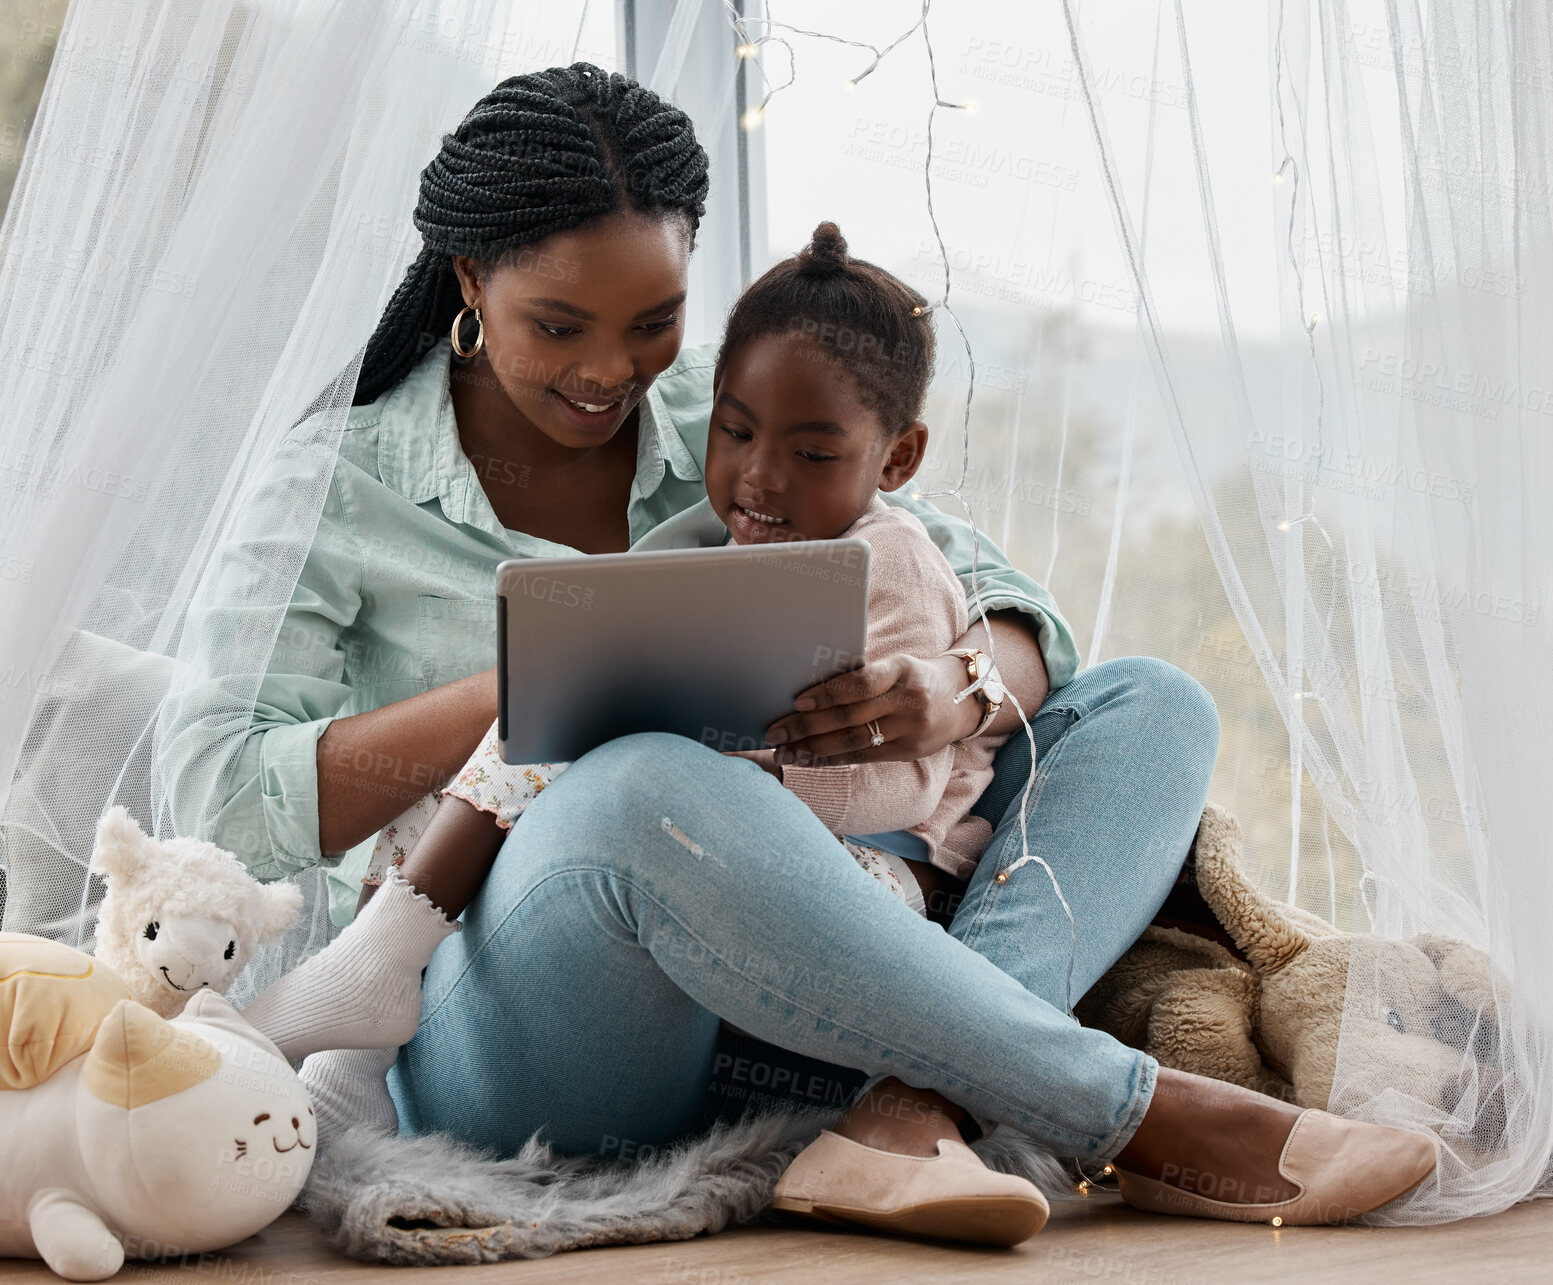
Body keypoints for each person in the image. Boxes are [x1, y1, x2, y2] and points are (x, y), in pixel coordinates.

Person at [161, 63, 1436, 1248]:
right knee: (644, 781)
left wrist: (954, 685)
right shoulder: (331, 486)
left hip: (796, 994)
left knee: (1148, 704)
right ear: (466, 279)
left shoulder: (729, 419)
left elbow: (1001, 600)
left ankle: (907, 1102)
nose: (610, 372)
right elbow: (217, 790)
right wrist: (550, 668)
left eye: (652, 321)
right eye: (558, 326)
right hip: (538, 1022)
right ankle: (1128, 1109)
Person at [240, 218, 1055, 1240]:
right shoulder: (740, 528)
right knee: (529, 728)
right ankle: (357, 1032)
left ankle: (365, 997)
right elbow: (228, 775)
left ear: (895, 457)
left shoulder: (885, 560)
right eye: (734, 432)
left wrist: (732, 772)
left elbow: (904, 785)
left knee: (600, 727)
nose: (759, 477)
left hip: (862, 875)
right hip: (648, 892)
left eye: (809, 453)